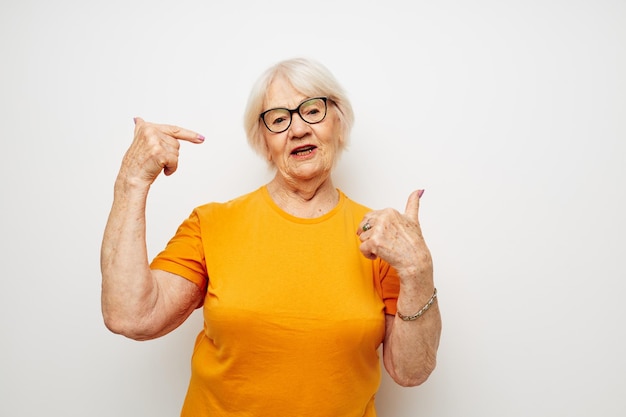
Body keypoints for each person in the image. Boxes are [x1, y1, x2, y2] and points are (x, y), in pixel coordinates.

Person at [100, 57, 441, 417]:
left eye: (312, 109)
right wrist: (132, 181)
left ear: (338, 123)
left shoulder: (380, 239)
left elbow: (410, 370)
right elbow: (130, 316)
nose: (297, 129)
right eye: (278, 119)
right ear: (263, 141)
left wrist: (417, 268)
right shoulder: (212, 223)